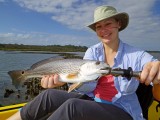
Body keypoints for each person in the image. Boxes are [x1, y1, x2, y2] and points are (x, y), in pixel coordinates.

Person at [7, 5, 160, 120]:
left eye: (108, 24)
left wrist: (156, 71)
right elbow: (86, 88)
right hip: (93, 99)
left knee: (72, 107)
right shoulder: (92, 52)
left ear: (118, 24)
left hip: (122, 109)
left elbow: (154, 67)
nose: (103, 30)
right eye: (99, 26)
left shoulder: (137, 55)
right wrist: (62, 81)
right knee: (48, 95)